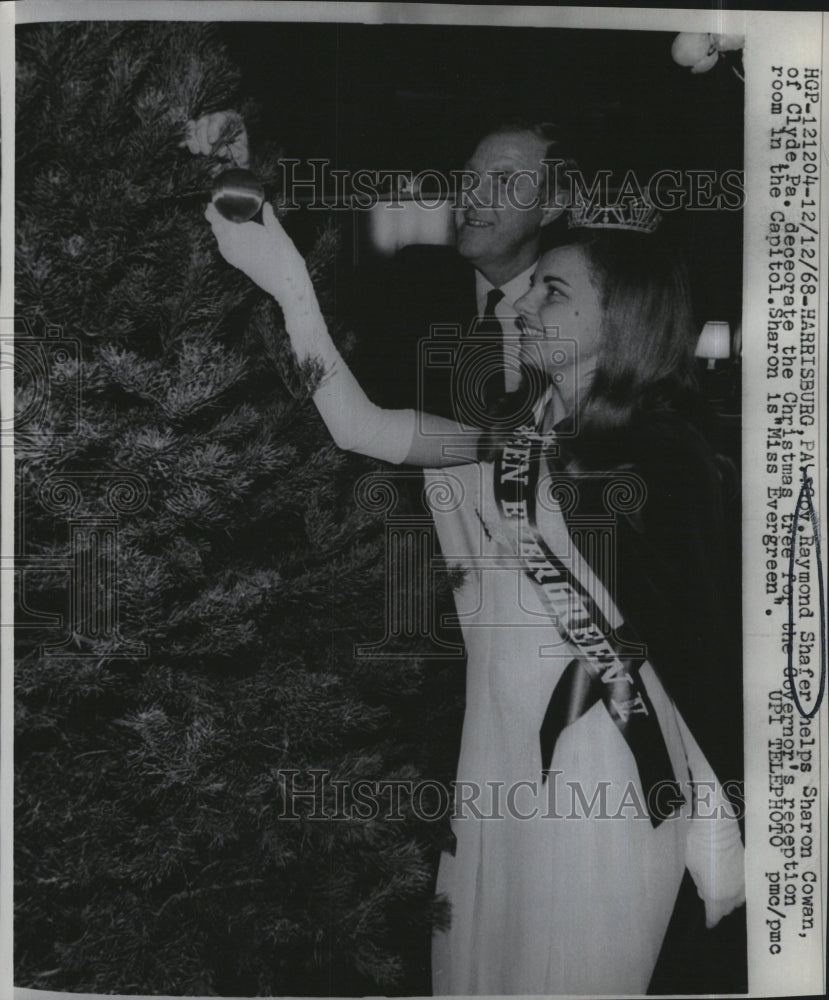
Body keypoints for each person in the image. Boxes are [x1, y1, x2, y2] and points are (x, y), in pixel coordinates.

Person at [203, 196, 745, 995]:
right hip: (495, 754)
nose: (518, 301)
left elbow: (705, 657)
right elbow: (361, 427)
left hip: (601, 770)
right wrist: (287, 285)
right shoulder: (515, 440)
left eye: (550, 292)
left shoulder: (668, 461)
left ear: (621, 315)